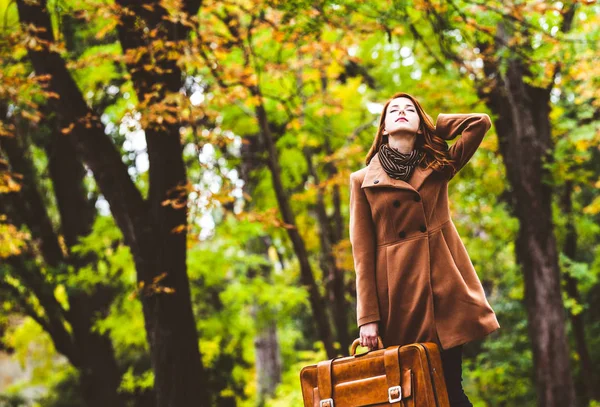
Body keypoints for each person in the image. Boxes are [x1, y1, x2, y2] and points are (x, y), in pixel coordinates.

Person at [348, 92, 500, 407]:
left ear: (420, 126)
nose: (401, 112)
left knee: (450, 390)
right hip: (399, 297)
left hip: (443, 290)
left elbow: (479, 123)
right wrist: (368, 318)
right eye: (394, 110)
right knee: (411, 394)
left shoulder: (438, 165)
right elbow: (362, 255)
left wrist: (439, 127)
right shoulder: (362, 181)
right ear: (384, 127)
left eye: (410, 110)